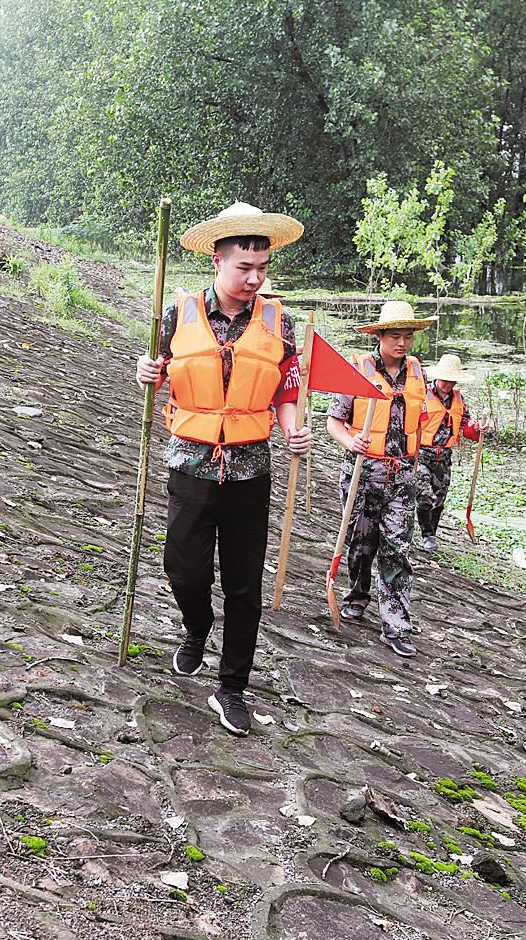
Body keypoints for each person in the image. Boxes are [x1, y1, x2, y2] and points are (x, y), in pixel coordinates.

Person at [134, 202, 312, 737]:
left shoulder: (279, 323)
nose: (255, 278)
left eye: (263, 268)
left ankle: (232, 687)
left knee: (243, 585)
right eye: (245, 267)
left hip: (250, 471)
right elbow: (157, 370)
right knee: (181, 568)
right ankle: (195, 626)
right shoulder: (177, 313)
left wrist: (292, 426)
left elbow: (285, 386)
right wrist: (144, 371)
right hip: (189, 463)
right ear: (218, 260)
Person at [326, 301, 434, 657]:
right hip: (362, 473)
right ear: (381, 337)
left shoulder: (419, 374)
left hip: (402, 477)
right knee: (361, 544)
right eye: (395, 336)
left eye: (408, 336)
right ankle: (357, 594)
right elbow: (334, 422)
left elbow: (426, 422)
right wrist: (350, 440)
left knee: (397, 550)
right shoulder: (359, 371)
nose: (402, 343)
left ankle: (396, 624)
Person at [415, 353, 487, 553]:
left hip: (444, 457)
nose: (446, 384)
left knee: (439, 498)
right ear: (437, 377)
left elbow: (465, 424)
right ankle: (427, 534)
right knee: (424, 496)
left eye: (450, 380)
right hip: (422, 454)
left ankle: (431, 534)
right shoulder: (423, 394)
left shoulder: (458, 399)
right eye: (444, 379)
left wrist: (478, 428)